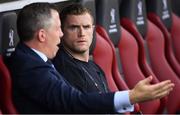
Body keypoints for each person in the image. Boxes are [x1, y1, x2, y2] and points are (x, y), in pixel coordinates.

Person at [5, 2, 174, 114]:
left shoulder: (33, 59)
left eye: (87, 27)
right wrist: (131, 96)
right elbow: (72, 102)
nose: (61, 35)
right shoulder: (30, 67)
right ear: (42, 35)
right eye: (59, 29)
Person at [52, 3, 109, 93]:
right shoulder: (63, 69)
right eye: (74, 27)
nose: (81, 33)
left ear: (93, 30)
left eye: (86, 27)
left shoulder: (94, 66)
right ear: (61, 31)